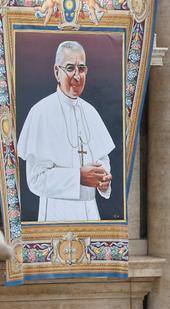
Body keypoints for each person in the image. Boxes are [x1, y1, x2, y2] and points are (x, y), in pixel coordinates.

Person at [17, 40, 117, 221]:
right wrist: (78, 177)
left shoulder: (91, 112)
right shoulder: (40, 112)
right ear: (57, 72)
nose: (77, 76)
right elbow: (35, 180)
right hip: (55, 213)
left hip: (90, 213)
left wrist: (103, 182)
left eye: (82, 69)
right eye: (70, 68)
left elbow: (103, 160)